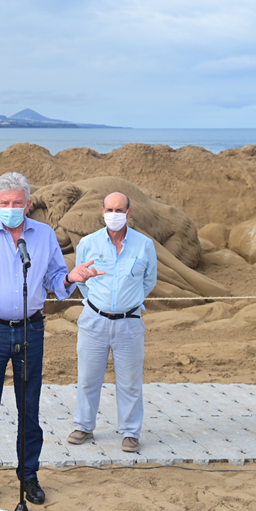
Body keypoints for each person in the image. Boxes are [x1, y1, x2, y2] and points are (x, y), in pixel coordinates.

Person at [0, 171, 102, 507]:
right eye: (5, 203)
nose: (11, 208)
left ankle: (29, 477)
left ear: (28, 204)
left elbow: (56, 276)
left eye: (17, 203)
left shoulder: (43, 236)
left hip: (31, 330)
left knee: (29, 409)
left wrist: (71, 276)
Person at [68, 192, 157, 452]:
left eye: (119, 210)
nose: (114, 214)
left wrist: (128, 302)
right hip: (94, 321)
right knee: (87, 378)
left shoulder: (144, 245)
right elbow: (83, 281)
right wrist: (101, 303)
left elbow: (149, 281)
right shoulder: (88, 243)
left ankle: (130, 432)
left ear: (129, 213)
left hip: (129, 323)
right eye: (109, 209)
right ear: (102, 211)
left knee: (130, 381)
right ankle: (83, 426)